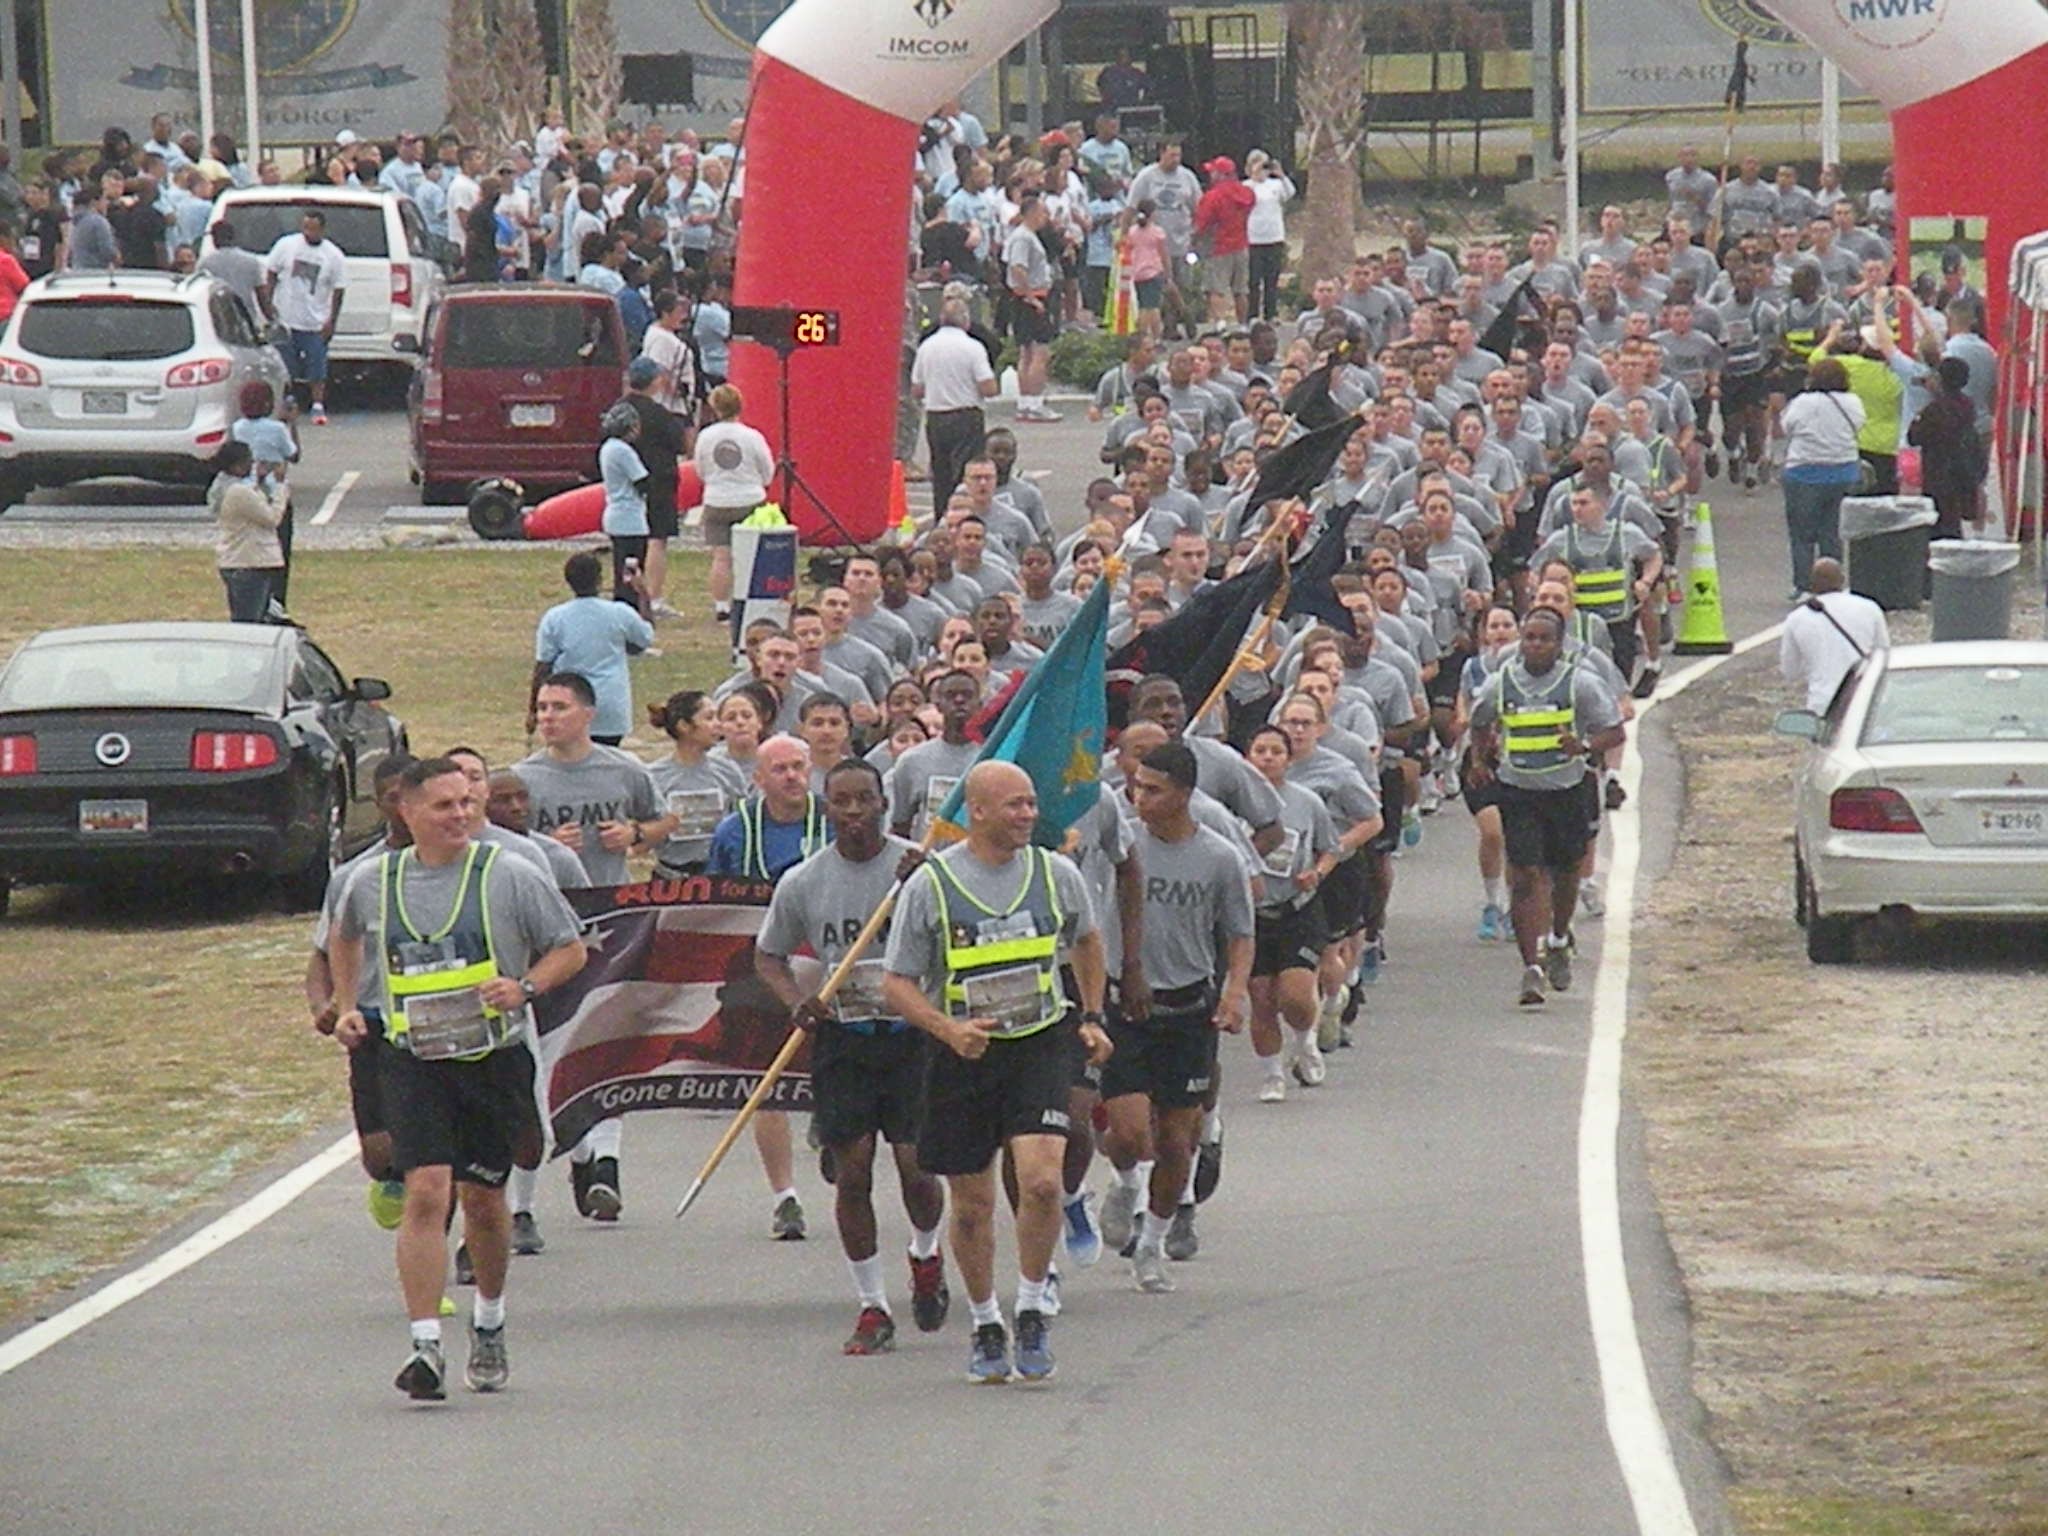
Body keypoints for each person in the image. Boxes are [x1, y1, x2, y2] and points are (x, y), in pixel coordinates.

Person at [328, 757, 587, 1400]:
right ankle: (424, 1346)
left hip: (490, 1058)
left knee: (482, 1201)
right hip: (411, 1057)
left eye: (467, 803)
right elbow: (343, 936)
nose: (461, 815)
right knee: (426, 1191)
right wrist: (345, 1006)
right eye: (443, 806)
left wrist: (523, 986)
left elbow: (571, 947)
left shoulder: (510, 875)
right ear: (406, 810)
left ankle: (489, 1321)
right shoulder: (373, 879)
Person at [881, 761, 1111, 1384]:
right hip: (963, 1057)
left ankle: (1032, 1305)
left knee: (1040, 1183)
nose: (1029, 815)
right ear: (976, 811)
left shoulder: (1055, 874)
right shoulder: (932, 885)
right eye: (1014, 805)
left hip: (1039, 1043)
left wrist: (1091, 1014)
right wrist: (946, 1029)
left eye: (1031, 803)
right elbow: (896, 981)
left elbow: (1087, 941)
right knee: (974, 1204)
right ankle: (985, 1321)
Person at [755, 759, 952, 1355]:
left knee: (917, 1167)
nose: (854, 812)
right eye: (841, 801)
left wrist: (929, 887)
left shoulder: (919, 870)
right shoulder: (805, 880)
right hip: (845, 1038)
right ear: (827, 806)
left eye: (864, 800)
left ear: (883, 805)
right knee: (854, 1169)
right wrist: (797, 1001)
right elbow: (769, 956)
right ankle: (872, 1306)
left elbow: (960, 934)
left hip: (911, 1033)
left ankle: (926, 1255)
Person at [1097, 742, 1251, 1290]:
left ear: (1185, 795)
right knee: (1130, 1132)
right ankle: (1121, 1182)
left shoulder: (1218, 856)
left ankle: (1154, 1242)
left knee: (1176, 1142)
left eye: (1153, 789)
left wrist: (1233, 994)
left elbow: (1239, 934)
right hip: (1127, 1005)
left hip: (1188, 1008)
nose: (1139, 797)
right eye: (1136, 786)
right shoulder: (1122, 845)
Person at [706, 733, 830, 1239]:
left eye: (799, 766)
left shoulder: (836, 820)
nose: (792, 776)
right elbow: (714, 907)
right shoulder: (735, 832)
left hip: (828, 968)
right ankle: (786, 1198)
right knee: (767, 1085)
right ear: (758, 779)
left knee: (833, 1075)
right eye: (779, 769)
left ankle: (835, 1132)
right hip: (766, 971)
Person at [1468, 609, 1625, 1008]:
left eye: (1543, 639)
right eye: (1529, 637)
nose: (1535, 645)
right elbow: (1480, 720)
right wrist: (1479, 760)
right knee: (1524, 876)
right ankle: (1530, 967)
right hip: (1519, 792)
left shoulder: (1580, 683)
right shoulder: (1500, 683)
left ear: (1559, 644)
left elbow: (1614, 730)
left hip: (1567, 790)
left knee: (1566, 870)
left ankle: (1558, 937)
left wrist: (1585, 747)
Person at [305, 753, 416, 1236]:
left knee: (439, 1153)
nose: (404, 808)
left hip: (440, 1022)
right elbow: (323, 953)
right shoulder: (356, 876)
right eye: (393, 798)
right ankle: (395, 1181)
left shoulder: (467, 864)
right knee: (381, 1154)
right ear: (378, 802)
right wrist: (326, 1005)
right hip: (373, 1020)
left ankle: (444, 1235)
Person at [529, 552, 654, 748]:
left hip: (569, 704)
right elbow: (644, 638)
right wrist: (643, 594)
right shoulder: (619, 612)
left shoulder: (554, 618)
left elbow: (543, 667)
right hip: (610, 705)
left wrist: (533, 710)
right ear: (599, 579)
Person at [1777, 356, 1865, 598]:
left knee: (1802, 534)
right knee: (1832, 532)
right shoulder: (1853, 402)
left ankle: (1803, 585)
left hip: (1804, 471)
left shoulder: (1802, 403)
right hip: (1843, 471)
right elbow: (1859, 425)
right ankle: (1833, 582)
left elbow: (1787, 427)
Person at [695, 383, 775, 624]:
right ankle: (752, 601)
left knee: (721, 557)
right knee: (751, 555)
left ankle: (721, 607)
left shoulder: (705, 437)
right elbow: (768, 470)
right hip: (750, 498)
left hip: (717, 499)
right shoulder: (752, 437)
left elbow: (700, 469)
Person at [645, 690, 745, 878]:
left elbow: (742, 823)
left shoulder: (728, 771)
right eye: (709, 718)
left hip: (719, 877)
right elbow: (640, 838)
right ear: (684, 726)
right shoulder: (654, 776)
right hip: (671, 877)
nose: (718, 724)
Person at [913, 297, 1001, 512]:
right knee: (965, 473)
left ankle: (942, 518)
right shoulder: (973, 347)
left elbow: (917, 389)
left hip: (935, 416)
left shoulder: (927, 347)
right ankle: (966, 515)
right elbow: (988, 387)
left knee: (941, 474)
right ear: (966, 322)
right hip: (966, 415)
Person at [262, 209, 347, 424]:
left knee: (316, 367)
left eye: (313, 228)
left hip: (314, 321)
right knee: (285, 364)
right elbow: (271, 272)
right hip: (286, 319)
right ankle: (288, 402)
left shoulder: (333, 256)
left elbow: (338, 290)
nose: (308, 232)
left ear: (322, 229)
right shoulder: (286, 245)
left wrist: (331, 321)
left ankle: (317, 405)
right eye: (305, 227)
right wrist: (269, 304)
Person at [619, 355, 689, 617]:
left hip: (625, 484)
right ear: (655, 382)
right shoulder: (660, 414)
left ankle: (627, 594)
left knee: (629, 543)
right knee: (657, 540)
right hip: (659, 480)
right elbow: (680, 444)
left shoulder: (619, 410)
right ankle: (654, 598)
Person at [1779, 557, 1889, 714]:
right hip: (1864, 695)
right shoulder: (1869, 608)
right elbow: (1883, 653)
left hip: (1823, 702)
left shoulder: (1797, 619)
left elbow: (1790, 671)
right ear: (1843, 580)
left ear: (1812, 584)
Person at [887, 669, 982, 839]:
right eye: (951, 695)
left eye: (967, 695)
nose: (959, 700)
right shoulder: (911, 761)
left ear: (980, 703)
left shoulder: (994, 757)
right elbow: (901, 827)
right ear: (938, 704)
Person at [1907, 356, 1987, 539]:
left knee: (1940, 527)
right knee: (1954, 524)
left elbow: (1914, 437)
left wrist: (1926, 407)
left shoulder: (1934, 410)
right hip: (1962, 473)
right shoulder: (1967, 405)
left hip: (1939, 475)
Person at [208, 440, 286, 623]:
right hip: (249, 563)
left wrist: (260, 482)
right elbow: (270, 518)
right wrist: (280, 488)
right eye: (248, 461)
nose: (252, 464)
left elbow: (252, 504)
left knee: (250, 617)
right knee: (249, 622)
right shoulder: (238, 491)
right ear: (236, 465)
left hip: (237, 561)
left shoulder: (222, 485)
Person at [1004, 194, 1061, 423]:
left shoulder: (1028, 237)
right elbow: (1018, 268)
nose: (1045, 217)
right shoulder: (1023, 238)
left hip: (1028, 297)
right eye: (1042, 212)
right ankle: (1034, 402)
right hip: (1031, 298)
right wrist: (1031, 297)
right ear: (1032, 213)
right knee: (1039, 352)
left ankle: (1026, 402)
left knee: (1027, 352)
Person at [1242, 151, 1294, 322]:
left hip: (1274, 237)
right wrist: (1254, 175)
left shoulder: (1275, 185)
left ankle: (1271, 313)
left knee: (1272, 279)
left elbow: (1289, 194)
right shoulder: (1246, 186)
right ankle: (1253, 314)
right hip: (1254, 239)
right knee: (1254, 280)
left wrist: (1281, 175)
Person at [196, 220, 272, 326]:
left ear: (215, 239)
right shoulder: (251, 261)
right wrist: (271, 318)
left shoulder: (205, 263)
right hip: (246, 318)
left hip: (217, 320)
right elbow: (261, 295)